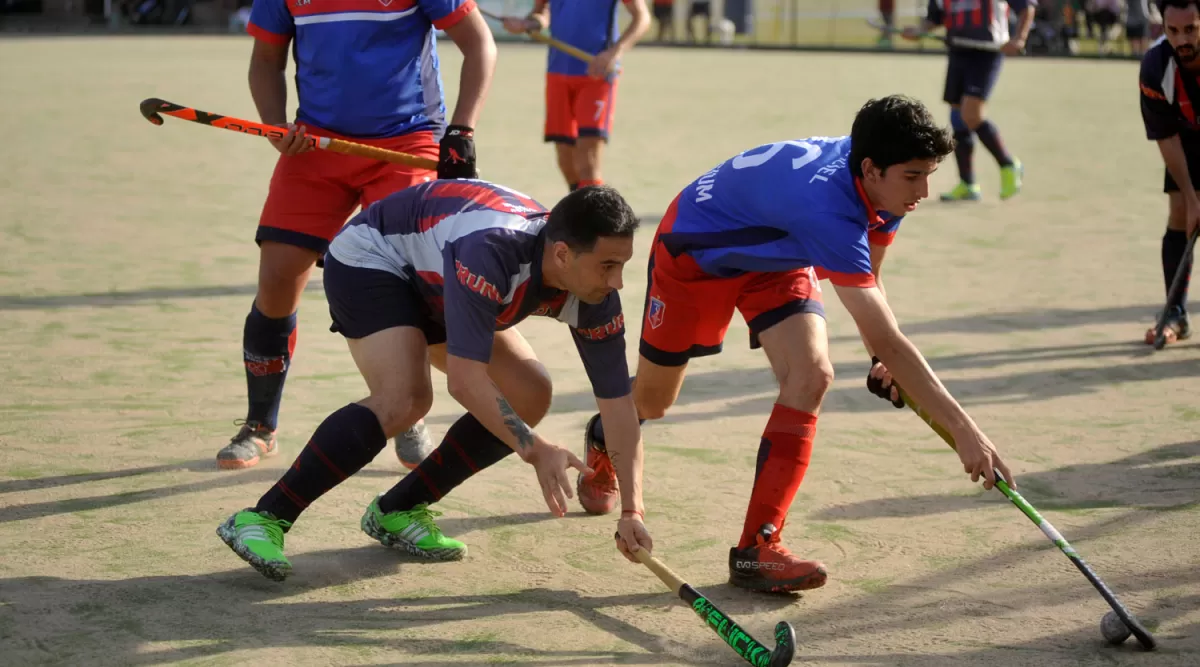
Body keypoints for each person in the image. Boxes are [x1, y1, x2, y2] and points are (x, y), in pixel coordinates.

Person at [576, 95, 1018, 594]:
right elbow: (889, 339)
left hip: (778, 256)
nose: (925, 190)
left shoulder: (884, 185)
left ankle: (756, 549)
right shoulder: (828, 206)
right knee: (654, 402)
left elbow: (871, 286)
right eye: (914, 177)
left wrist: (880, 360)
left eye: (928, 174)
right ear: (871, 170)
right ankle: (604, 433)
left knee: (812, 375)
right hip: (696, 254)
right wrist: (965, 431)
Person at [216, 180, 653, 581]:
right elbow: (465, 381)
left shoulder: (595, 296)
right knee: (405, 399)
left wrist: (632, 511)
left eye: (623, 265)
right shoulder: (493, 252)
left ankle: (398, 510)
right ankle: (264, 517)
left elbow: (618, 407)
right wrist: (534, 449)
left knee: (530, 393)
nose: (616, 282)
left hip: (442, 280)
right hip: (376, 257)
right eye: (607, 266)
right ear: (562, 254)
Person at [216, 0, 497, 471]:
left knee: (402, 283)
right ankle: (260, 426)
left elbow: (479, 44)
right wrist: (275, 125)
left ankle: (404, 408)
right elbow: (266, 59)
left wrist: (462, 130)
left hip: (406, 143)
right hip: (315, 145)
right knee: (279, 276)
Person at [500, 0, 650, 193]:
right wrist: (528, 24)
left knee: (587, 161)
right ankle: (580, 212)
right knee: (565, 160)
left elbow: (642, 18)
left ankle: (593, 219)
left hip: (596, 75)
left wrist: (614, 53)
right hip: (557, 72)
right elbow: (542, 14)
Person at [902, 0, 1036, 202]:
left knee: (971, 114)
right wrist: (919, 30)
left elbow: (1027, 7)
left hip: (987, 53)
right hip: (958, 52)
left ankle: (1008, 164)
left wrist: (1020, 38)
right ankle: (968, 184)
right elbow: (935, 18)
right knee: (957, 118)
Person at [1137, 0, 1200, 345]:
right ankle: (1175, 314)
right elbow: (1166, 137)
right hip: (1186, 134)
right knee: (1179, 213)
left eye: (1191, 29)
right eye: (1173, 31)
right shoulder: (1155, 66)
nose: (1182, 40)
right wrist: (1192, 199)